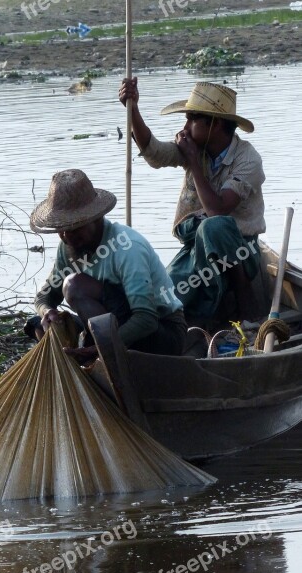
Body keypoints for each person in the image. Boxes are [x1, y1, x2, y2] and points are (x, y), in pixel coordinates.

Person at [118, 79, 266, 322]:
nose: (185, 127)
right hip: (198, 249)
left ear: (215, 124)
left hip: (241, 251)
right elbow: (153, 151)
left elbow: (218, 210)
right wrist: (132, 109)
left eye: (191, 119)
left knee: (215, 224)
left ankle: (245, 299)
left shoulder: (248, 159)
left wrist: (194, 162)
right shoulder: (196, 146)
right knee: (165, 298)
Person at [28, 168, 187, 362]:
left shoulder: (127, 247)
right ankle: (96, 348)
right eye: (62, 229)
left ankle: (105, 354)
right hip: (109, 326)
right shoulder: (68, 246)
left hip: (161, 333)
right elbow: (44, 297)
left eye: (75, 227)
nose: (67, 236)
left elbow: (146, 319)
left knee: (74, 286)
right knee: (37, 325)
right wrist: (47, 312)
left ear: (95, 218)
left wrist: (100, 349)